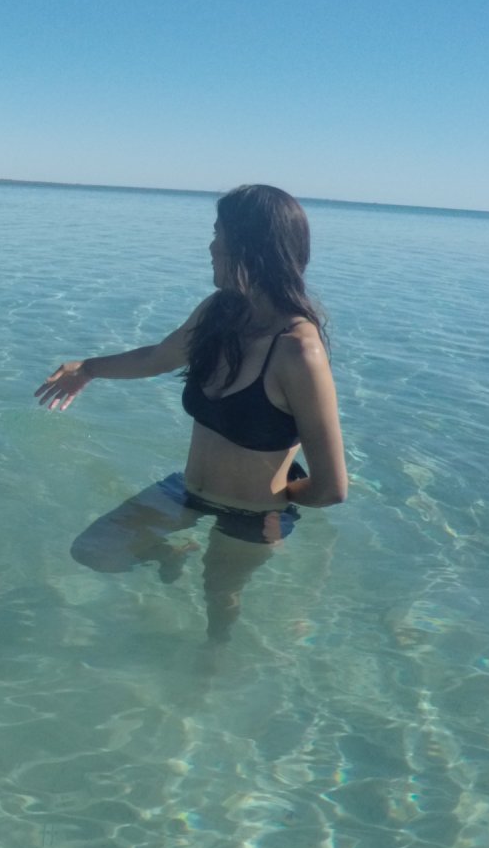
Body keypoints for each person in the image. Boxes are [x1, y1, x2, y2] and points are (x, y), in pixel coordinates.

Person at [34, 184, 348, 644]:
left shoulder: (299, 352)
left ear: (250, 247)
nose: (211, 246)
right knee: (93, 552)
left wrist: (277, 506)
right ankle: (169, 552)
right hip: (185, 491)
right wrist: (88, 369)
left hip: (252, 516)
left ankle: (210, 671)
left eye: (219, 233)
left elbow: (332, 487)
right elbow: (157, 357)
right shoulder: (220, 313)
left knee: (219, 605)